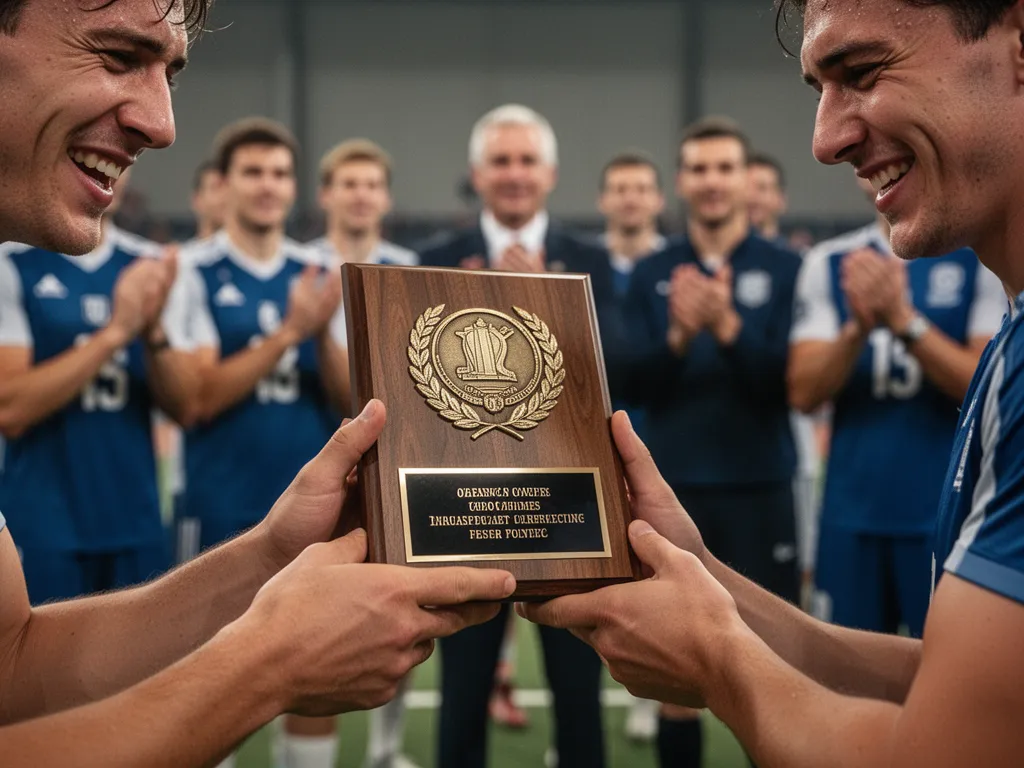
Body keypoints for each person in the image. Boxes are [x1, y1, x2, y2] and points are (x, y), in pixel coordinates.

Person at [0, 1, 515, 763]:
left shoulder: (324, 277)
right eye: (115, 56)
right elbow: (191, 397)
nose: (161, 123)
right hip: (171, 494)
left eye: (169, 73)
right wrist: (264, 663)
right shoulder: (186, 273)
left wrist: (271, 557)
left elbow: (13, 669)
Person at [523, 2, 1024, 766]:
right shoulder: (1009, 345)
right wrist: (708, 584)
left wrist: (718, 657)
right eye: (820, 89)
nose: (825, 140)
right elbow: (947, 684)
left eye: (861, 71)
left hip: (769, 481)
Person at [419, 103, 609, 768]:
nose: (514, 174)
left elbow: (611, 379)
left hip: (567, 508)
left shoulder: (593, 260)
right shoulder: (433, 261)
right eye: (501, 161)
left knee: (579, 690)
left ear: (551, 172)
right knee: (462, 692)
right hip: (464, 506)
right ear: (476, 174)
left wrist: (543, 303)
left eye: (526, 160)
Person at [620, 117, 801, 768]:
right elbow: (629, 380)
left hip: (760, 487)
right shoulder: (651, 272)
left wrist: (726, 327)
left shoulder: (787, 269)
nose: (712, 181)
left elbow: (791, 387)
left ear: (747, 180)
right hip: (676, 493)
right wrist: (675, 339)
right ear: (681, 182)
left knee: (776, 666)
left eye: (725, 168)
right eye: (698, 168)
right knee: (678, 673)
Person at [790, 176, 1005, 637]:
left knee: (945, 671)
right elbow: (803, 392)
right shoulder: (829, 261)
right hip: (852, 509)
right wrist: (857, 329)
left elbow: (987, 385)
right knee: (845, 675)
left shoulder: (975, 257)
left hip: (948, 509)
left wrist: (903, 321)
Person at [0, 171, 182, 605]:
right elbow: (10, 408)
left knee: (145, 668)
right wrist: (116, 332)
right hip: (45, 522)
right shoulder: (14, 262)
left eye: (120, 163)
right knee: (41, 669)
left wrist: (154, 330)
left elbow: (186, 407)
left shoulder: (153, 265)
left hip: (135, 517)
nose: (110, 174)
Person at [307, 138, 419, 768]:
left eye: (371, 184)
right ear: (326, 194)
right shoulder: (301, 269)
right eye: (347, 183)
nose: (359, 195)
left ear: (386, 197)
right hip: (314, 470)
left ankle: (386, 749)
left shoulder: (409, 269)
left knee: (402, 611)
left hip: (394, 472)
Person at [595, 149, 666, 743]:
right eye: (619, 189)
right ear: (603, 200)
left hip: (654, 433)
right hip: (588, 438)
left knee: (648, 558)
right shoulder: (585, 265)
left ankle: (647, 695)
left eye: (640, 188)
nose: (629, 198)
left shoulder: (674, 267)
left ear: (657, 200)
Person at [746, 152, 788, 246]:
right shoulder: (716, 258)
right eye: (744, 188)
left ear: (781, 199)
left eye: (762, 188)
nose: (751, 197)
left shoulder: (800, 259)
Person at [190, 159, 227, 242]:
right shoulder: (183, 254)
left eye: (229, 187)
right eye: (216, 187)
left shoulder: (253, 254)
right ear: (197, 200)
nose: (225, 195)